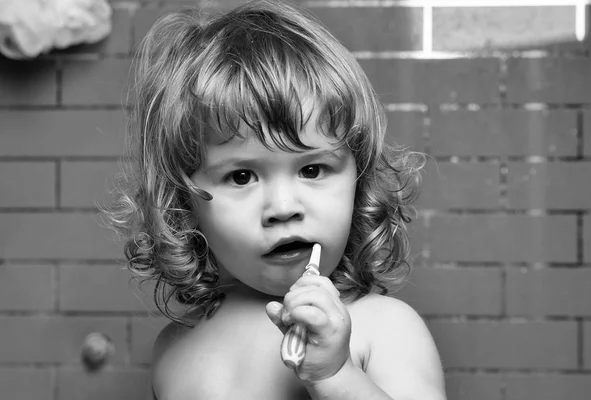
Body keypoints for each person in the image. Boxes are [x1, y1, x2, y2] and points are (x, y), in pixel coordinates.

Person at [105, 0, 446, 399]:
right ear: (183, 205)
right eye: (242, 176)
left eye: (312, 170)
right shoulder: (174, 349)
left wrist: (335, 376)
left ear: (360, 178)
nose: (284, 208)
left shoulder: (384, 327)